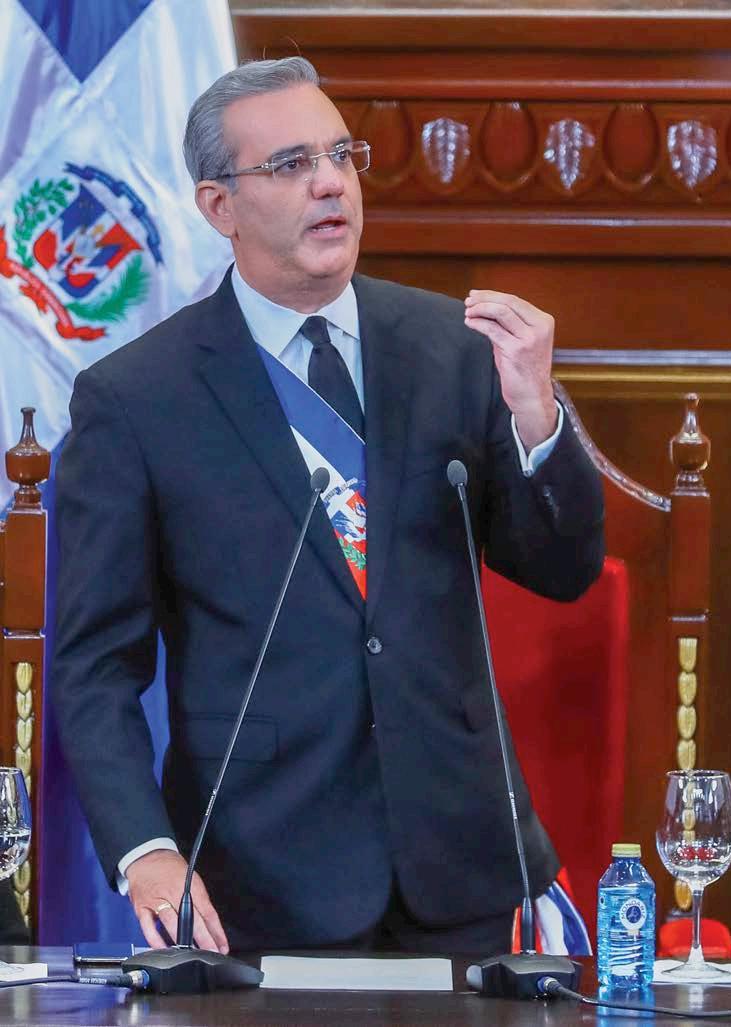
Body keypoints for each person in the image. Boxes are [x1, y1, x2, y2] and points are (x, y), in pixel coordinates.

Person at [50, 57, 604, 955]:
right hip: (256, 879)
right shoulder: (137, 399)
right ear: (219, 207)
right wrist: (146, 850)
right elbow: (94, 666)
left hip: (462, 865)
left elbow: (563, 568)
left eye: (342, 156)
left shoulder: (453, 349)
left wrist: (538, 418)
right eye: (290, 164)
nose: (329, 183)